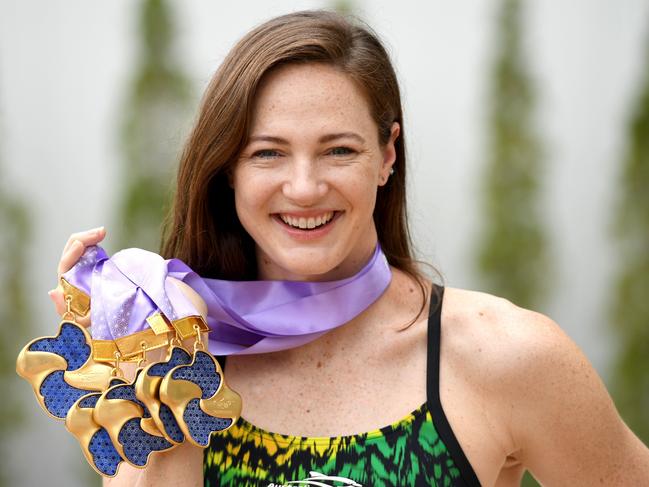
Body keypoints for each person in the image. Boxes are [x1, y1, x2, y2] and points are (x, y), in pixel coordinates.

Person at [50, 9, 649, 487]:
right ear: (226, 168)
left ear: (388, 155)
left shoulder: (507, 355)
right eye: (268, 152)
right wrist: (155, 355)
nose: (305, 187)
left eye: (339, 150)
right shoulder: (182, 342)